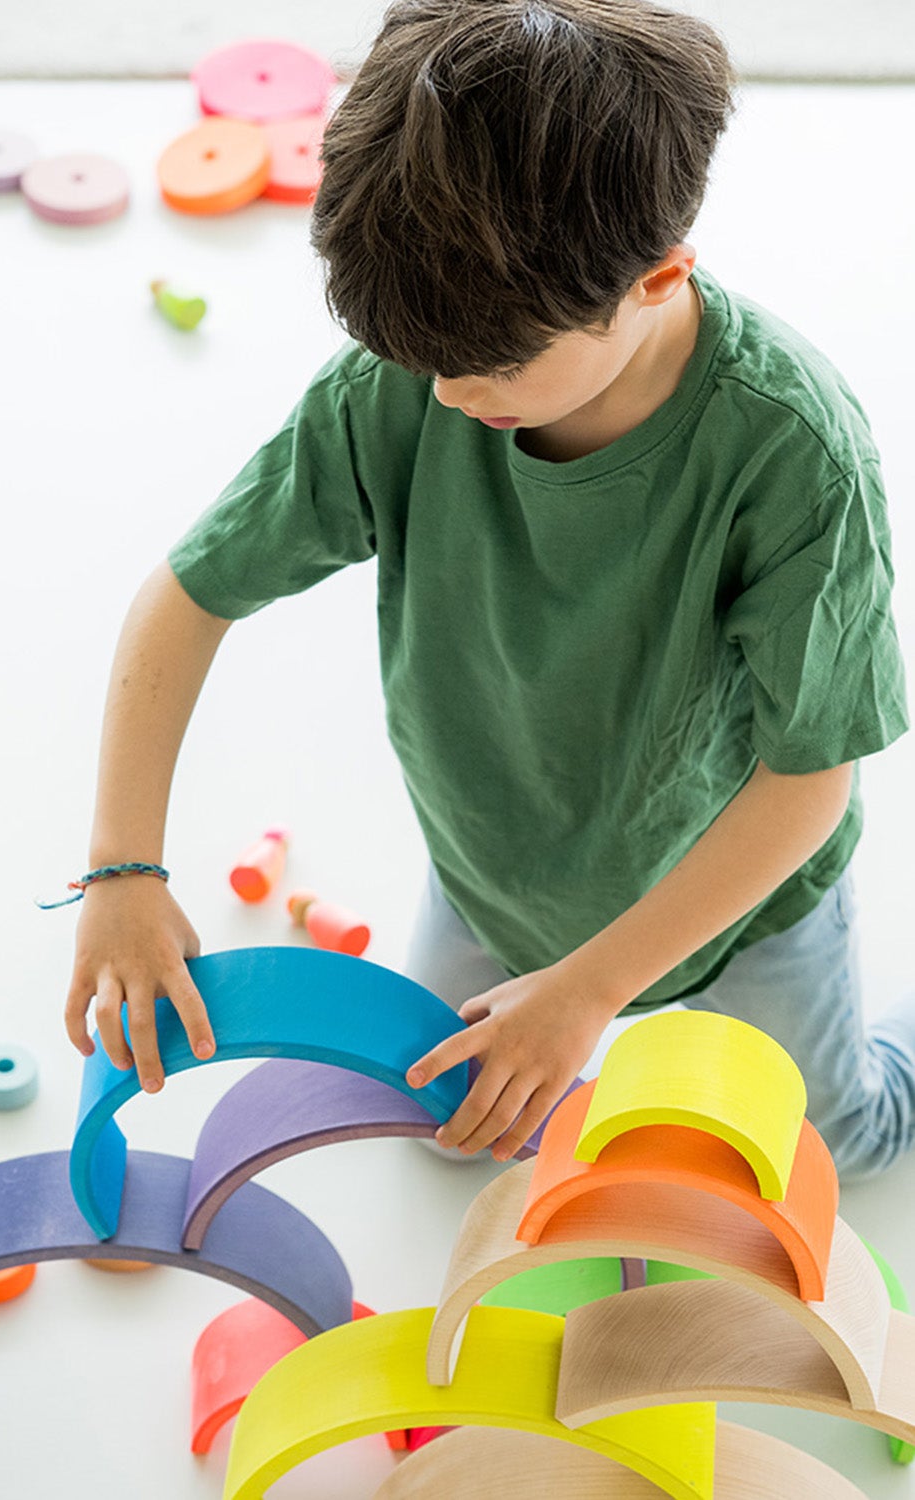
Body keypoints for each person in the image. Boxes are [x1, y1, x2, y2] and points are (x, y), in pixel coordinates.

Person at [61, 0, 915, 1179]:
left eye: (495, 366)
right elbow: (189, 597)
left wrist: (591, 991)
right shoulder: (406, 380)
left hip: (736, 906)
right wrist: (123, 869)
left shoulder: (792, 453)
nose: (452, 398)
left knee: (838, 1148)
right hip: (494, 873)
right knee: (445, 1138)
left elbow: (809, 781)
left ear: (658, 278)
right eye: (426, 365)